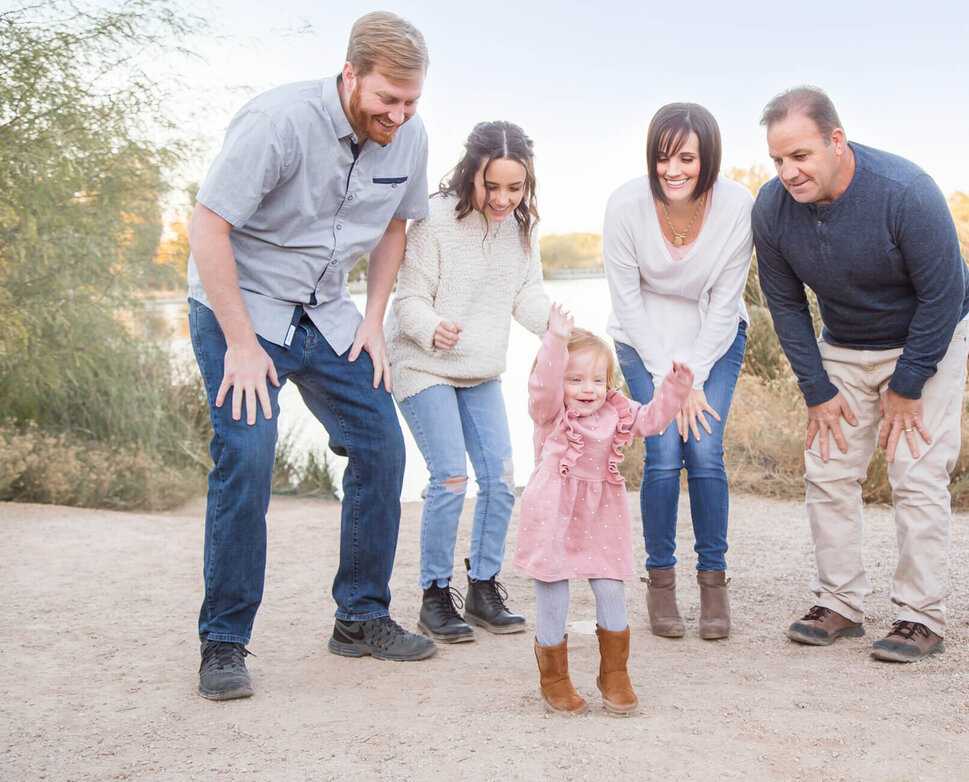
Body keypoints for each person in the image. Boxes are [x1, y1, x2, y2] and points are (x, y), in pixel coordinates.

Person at [187, 12, 437, 701]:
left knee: (383, 445)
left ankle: (360, 617)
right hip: (242, 306)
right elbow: (207, 227)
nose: (400, 114)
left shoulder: (409, 134)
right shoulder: (278, 121)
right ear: (351, 74)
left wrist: (376, 321)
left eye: (412, 101)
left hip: (327, 312)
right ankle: (224, 642)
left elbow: (395, 226)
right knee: (248, 452)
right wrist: (240, 342)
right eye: (388, 99)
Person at [753, 86, 969, 663]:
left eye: (800, 156)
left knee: (916, 472)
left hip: (929, 335)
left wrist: (907, 385)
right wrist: (816, 389)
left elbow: (943, 295)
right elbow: (785, 305)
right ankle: (840, 603)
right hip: (845, 343)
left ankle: (920, 617)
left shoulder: (905, 192)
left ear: (836, 141)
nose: (789, 172)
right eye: (778, 160)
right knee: (826, 468)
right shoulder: (772, 209)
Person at [385, 121, 549, 644]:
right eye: (492, 186)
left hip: (478, 368)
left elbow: (526, 296)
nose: (503, 199)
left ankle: (483, 587)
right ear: (470, 174)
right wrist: (433, 327)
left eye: (515, 187)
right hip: (422, 363)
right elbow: (406, 298)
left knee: (501, 480)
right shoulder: (433, 219)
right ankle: (435, 597)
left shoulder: (521, 229)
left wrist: (562, 328)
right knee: (451, 476)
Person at [603, 103, 753, 640]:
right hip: (643, 339)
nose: (673, 170)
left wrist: (691, 376)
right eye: (663, 157)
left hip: (714, 337)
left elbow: (723, 302)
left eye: (686, 157)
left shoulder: (738, 206)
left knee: (706, 450)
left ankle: (713, 583)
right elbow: (627, 302)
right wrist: (670, 380)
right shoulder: (624, 206)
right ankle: (660, 582)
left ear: (706, 158)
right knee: (664, 451)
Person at [514, 305, 691, 714]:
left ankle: (614, 674)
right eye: (575, 379)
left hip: (601, 515)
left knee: (611, 588)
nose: (588, 388)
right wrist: (555, 339)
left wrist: (674, 389)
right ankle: (554, 679)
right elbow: (542, 385)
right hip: (553, 514)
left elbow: (651, 419)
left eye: (597, 379)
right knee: (554, 593)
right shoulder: (550, 412)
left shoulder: (616, 410)